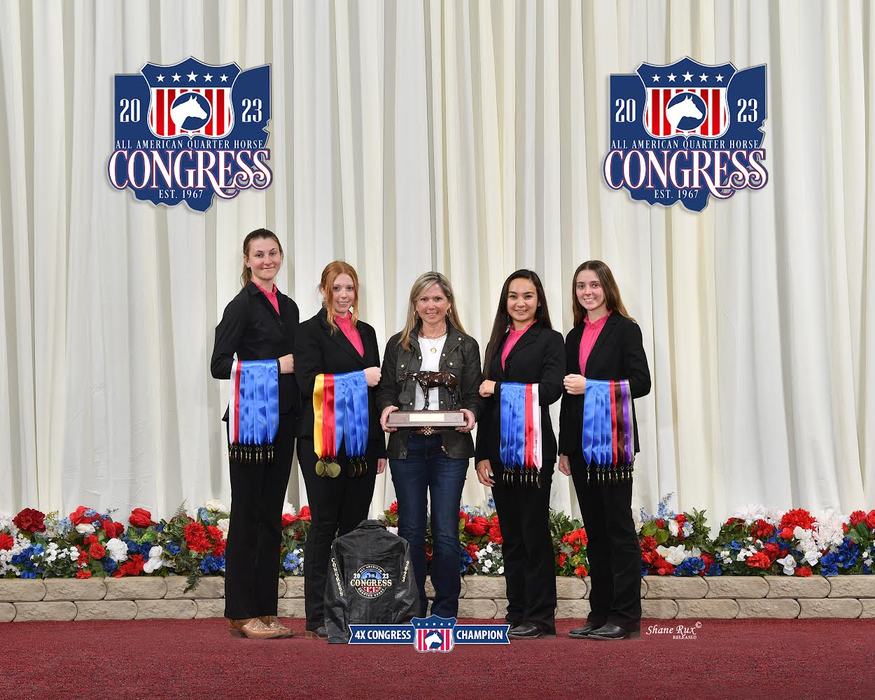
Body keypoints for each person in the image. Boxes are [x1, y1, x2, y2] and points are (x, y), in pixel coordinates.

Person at [210, 228, 300, 640]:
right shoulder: (240, 306)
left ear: (281, 256)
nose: (267, 260)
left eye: (273, 253)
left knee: (269, 517)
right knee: (247, 515)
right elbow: (218, 364)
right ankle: (241, 613)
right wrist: (273, 367)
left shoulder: (290, 306)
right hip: (249, 423)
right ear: (246, 260)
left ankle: (266, 611)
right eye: (258, 254)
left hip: (283, 421)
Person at [377, 272, 482, 618]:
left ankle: (446, 609)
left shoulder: (466, 345)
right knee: (410, 528)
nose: (431, 305)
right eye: (424, 299)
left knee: (445, 529)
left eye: (437, 298)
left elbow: (472, 393)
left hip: (449, 448)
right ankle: (413, 606)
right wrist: (387, 408)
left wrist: (470, 411)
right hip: (407, 448)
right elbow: (387, 389)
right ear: (415, 305)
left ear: (449, 303)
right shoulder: (398, 344)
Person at [558, 260, 651, 641]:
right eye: (581, 286)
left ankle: (625, 616)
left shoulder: (625, 330)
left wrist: (593, 386)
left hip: (613, 443)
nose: (587, 292)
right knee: (594, 531)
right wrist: (564, 448)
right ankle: (599, 613)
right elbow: (567, 395)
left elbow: (641, 383)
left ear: (607, 288)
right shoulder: (572, 335)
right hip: (580, 446)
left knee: (618, 529)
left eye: (594, 285)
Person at [295, 261, 386, 639]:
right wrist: (357, 378)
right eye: (337, 289)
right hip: (321, 445)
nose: (344, 295)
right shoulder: (307, 332)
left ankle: (351, 607)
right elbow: (307, 382)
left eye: (350, 288)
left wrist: (379, 448)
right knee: (324, 526)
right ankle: (317, 614)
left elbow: (377, 393)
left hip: (361, 445)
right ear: (324, 291)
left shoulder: (367, 332)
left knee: (353, 527)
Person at [474, 270, 565, 639]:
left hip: (533, 450)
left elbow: (549, 391)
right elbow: (483, 402)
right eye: (513, 296)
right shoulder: (497, 341)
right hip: (497, 450)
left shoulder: (550, 340)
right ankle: (517, 611)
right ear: (505, 301)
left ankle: (541, 615)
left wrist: (498, 387)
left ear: (539, 301)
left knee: (533, 533)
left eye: (527, 296)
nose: (520, 303)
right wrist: (481, 454)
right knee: (510, 535)